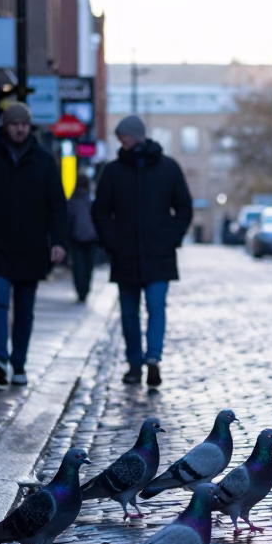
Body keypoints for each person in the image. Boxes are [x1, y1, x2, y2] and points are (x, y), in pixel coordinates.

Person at [0, 102, 67, 387]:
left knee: (24, 310)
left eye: (24, 124)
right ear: (4, 127)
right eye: (14, 124)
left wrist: (58, 241)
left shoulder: (44, 161)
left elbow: (57, 206)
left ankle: (19, 364)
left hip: (32, 247)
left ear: (29, 127)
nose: (19, 129)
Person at [92, 115, 194, 387]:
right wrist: (111, 242)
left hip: (159, 253)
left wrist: (171, 237)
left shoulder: (168, 168)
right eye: (119, 137)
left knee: (156, 307)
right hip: (124, 254)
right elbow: (101, 211)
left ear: (137, 135)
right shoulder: (113, 172)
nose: (121, 140)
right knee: (128, 313)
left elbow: (184, 207)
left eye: (124, 135)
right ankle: (134, 364)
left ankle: (153, 360)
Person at [67, 175, 99, 302]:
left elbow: (68, 220)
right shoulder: (92, 200)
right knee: (88, 266)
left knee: (78, 266)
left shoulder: (72, 201)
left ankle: (81, 291)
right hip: (91, 239)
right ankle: (85, 289)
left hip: (76, 239)